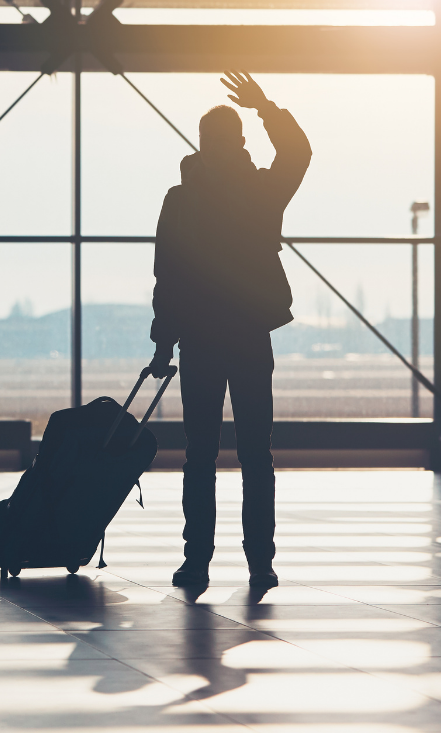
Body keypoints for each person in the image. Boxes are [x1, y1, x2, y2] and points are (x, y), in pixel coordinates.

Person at [148, 72, 312, 589]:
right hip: (247, 336)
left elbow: (167, 273)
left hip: (199, 340)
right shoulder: (261, 193)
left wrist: (162, 341)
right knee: (254, 456)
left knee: (200, 455)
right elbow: (299, 154)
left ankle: (197, 560)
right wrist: (266, 108)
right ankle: (260, 561)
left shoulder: (180, 199)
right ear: (240, 142)